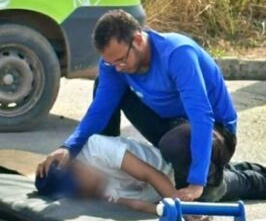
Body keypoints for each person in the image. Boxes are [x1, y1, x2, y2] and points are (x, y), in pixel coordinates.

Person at [36, 10, 238, 202]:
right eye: (112, 63)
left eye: (122, 60)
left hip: (215, 133)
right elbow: (99, 111)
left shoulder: (177, 54)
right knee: (104, 85)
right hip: (172, 127)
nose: (118, 67)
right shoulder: (114, 66)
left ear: (138, 40)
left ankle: (212, 184)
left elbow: (201, 116)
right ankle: (117, 164)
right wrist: (68, 147)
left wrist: (196, 183)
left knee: (175, 145)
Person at [34, 134, 266, 213]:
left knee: (248, 178)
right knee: (245, 175)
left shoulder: (97, 148)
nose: (84, 188)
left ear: (72, 165)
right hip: (175, 188)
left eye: (77, 180)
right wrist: (163, 211)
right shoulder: (89, 194)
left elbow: (154, 177)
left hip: (179, 173)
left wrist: (183, 210)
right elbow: (135, 204)